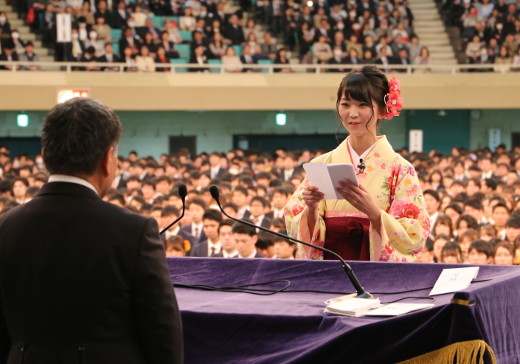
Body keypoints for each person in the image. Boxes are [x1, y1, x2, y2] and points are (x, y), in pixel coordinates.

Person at [0, 98, 183, 363]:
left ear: (45, 155)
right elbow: (163, 338)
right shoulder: (134, 231)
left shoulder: (5, 227)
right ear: (108, 159)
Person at [285, 66, 429, 262]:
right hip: (331, 265)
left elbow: (415, 236)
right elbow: (294, 223)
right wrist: (311, 209)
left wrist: (374, 214)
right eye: (345, 104)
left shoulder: (401, 169)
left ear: (382, 109)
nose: (352, 113)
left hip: (373, 269)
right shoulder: (321, 163)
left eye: (362, 104)